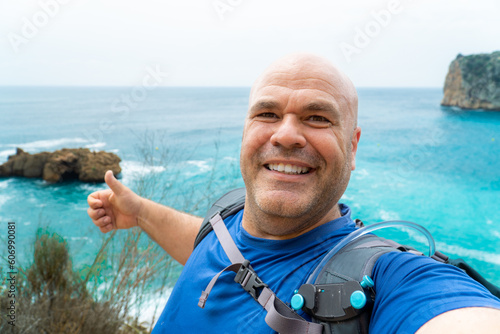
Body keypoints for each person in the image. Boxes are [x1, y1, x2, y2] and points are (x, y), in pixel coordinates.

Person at [87, 54, 500, 333]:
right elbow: (210, 245)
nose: (285, 134)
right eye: (267, 114)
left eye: (317, 117)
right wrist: (138, 212)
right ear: (246, 131)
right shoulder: (226, 220)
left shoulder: (388, 280)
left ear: (352, 146)